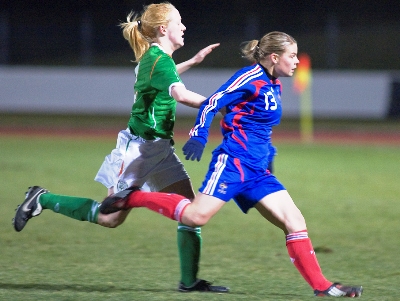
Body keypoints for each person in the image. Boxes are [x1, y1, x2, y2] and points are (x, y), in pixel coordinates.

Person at [99, 31, 363, 297]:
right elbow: (213, 102)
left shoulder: (274, 84)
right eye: (291, 56)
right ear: (274, 57)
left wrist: (268, 159)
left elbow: (260, 127)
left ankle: (322, 287)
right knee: (195, 216)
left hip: (258, 171)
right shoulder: (249, 78)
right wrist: (199, 135)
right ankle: (132, 197)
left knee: (295, 222)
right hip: (234, 163)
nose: (296, 61)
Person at [12, 2, 229, 293]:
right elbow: (180, 93)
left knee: (191, 212)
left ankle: (188, 282)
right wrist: (219, 105)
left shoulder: (153, 59)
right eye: (180, 22)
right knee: (110, 217)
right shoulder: (158, 61)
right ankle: (42, 199)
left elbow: (162, 78)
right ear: (164, 29)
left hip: (160, 150)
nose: (184, 27)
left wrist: (192, 62)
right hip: (137, 152)